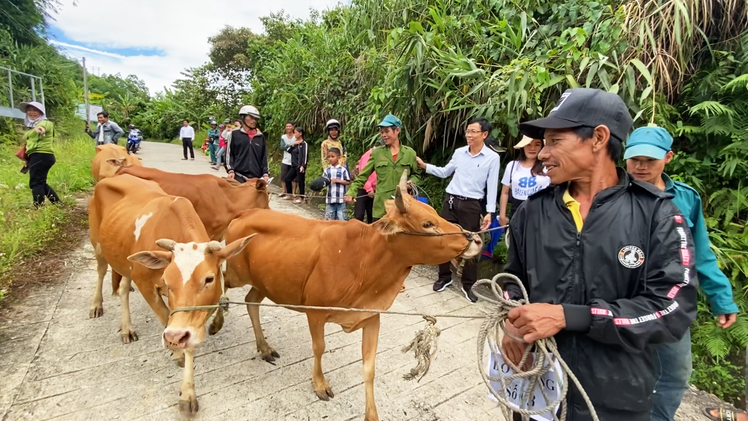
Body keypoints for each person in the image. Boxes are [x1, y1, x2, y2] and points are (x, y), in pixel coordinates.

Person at [500, 88, 698, 421]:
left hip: (616, 402)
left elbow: (672, 308)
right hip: (538, 389)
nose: (543, 154)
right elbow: (512, 281)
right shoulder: (532, 213)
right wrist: (512, 321)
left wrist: (571, 316)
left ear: (598, 138)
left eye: (553, 141)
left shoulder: (658, 215)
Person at [623, 126, 739, 421]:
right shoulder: (611, 193)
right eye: (635, 158)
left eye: (650, 160)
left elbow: (700, 252)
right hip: (620, 298)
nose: (641, 165)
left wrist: (721, 297)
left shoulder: (685, 199)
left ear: (669, 158)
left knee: (674, 374)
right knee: (615, 371)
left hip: (669, 302)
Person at [416, 118, 500, 303]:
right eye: (467, 131)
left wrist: (489, 212)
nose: (468, 135)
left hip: (472, 205)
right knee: (443, 239)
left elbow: (492, 187)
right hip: (451, 201)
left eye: (473, 131)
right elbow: (445, 172)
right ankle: (444, 277)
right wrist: (425, 166)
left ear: (484, 135)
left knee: (471, 243)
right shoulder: (459, 153)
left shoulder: (492, 158)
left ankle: (468, 284)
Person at [345, 114, 420, 222]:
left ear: (397, 130)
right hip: (381, 208)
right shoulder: (377, 154)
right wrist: (351, 192)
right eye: (382, 132)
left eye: (387, 131)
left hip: (401, 208)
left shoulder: (410, 153)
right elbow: (363, 176)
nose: (383, 135)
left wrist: (411, 182)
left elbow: (416, 175)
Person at [498, 136, 551, 227]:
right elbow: (505, 192)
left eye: (537, 144)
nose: (532, 148)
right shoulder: (512, 166)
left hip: (541, 211)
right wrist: (502, 215)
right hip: (517, 211)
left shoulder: (548, 166)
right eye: (528, 144)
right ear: (523, 146)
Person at [19, 101, 60, 207]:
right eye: (29, 110)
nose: (31, 112)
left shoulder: (44, 123)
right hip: (37, 156)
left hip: (41, 156)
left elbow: (42, 128)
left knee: (36, 183)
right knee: (40, 182)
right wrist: (27, 160)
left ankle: (38, 207)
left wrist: (40, 130)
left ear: (41, 112)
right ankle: (57, 203)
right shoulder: (32, 125)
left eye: (35, 110)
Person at [226, 105, 269, 183]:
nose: (254, 121)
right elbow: (229, 154)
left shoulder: (260, 137)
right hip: (238, 176)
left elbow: (264, 157)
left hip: (256, 178)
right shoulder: (234, 134)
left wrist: (265, 173)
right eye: (251, 117)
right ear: (243, 117)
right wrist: (230, 170)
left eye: (256, 118)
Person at [284, 126, 309, 204]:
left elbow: (305, 155)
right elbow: (288, 150)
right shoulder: (295, 143)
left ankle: (302, 198)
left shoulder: (304, 144)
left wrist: (303, 165)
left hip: (300, 165)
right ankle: (290, 194)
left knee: (301, 181)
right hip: (294, 165)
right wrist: (293, 144)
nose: (294, 134)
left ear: (300, 133)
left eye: (296, 132)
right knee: (287, 178)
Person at [324, 148, 351, 220]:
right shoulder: (327, 170)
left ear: (338, 157)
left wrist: (337, 181)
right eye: (329, 157)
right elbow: (323, 181)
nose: (330, 159)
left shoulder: (343, 170)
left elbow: (348, 181)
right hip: (330, 199)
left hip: (341, 200)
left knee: (342, 220)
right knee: (329, 221)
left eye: (332, 157)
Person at [354, 146, 378, 223]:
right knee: (359, 215)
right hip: (364, 188)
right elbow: (363, 174)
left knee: (373, 215)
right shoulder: (367, 155)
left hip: (377, 189)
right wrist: (369, 189)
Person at [280, 122, 297, 198]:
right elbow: (282, 146)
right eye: (287, 126)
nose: (288, 127)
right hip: (285, 160)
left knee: (294, 178)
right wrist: (291, 146)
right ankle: (283, 191)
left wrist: (288, 146)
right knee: (283, 176)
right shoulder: (283, 137)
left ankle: (294, 193)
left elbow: (298, 146)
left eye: (290, 126)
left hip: (294, 160)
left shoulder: (296, 136)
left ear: (293, 127)